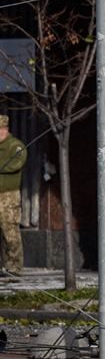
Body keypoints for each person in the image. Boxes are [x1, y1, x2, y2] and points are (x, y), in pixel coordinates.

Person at [0, 116, 27, 276]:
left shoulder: (15, 146)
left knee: (10, 232)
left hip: (8, 195)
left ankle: (14, 267)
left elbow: (17, 163)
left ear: (5, 129)